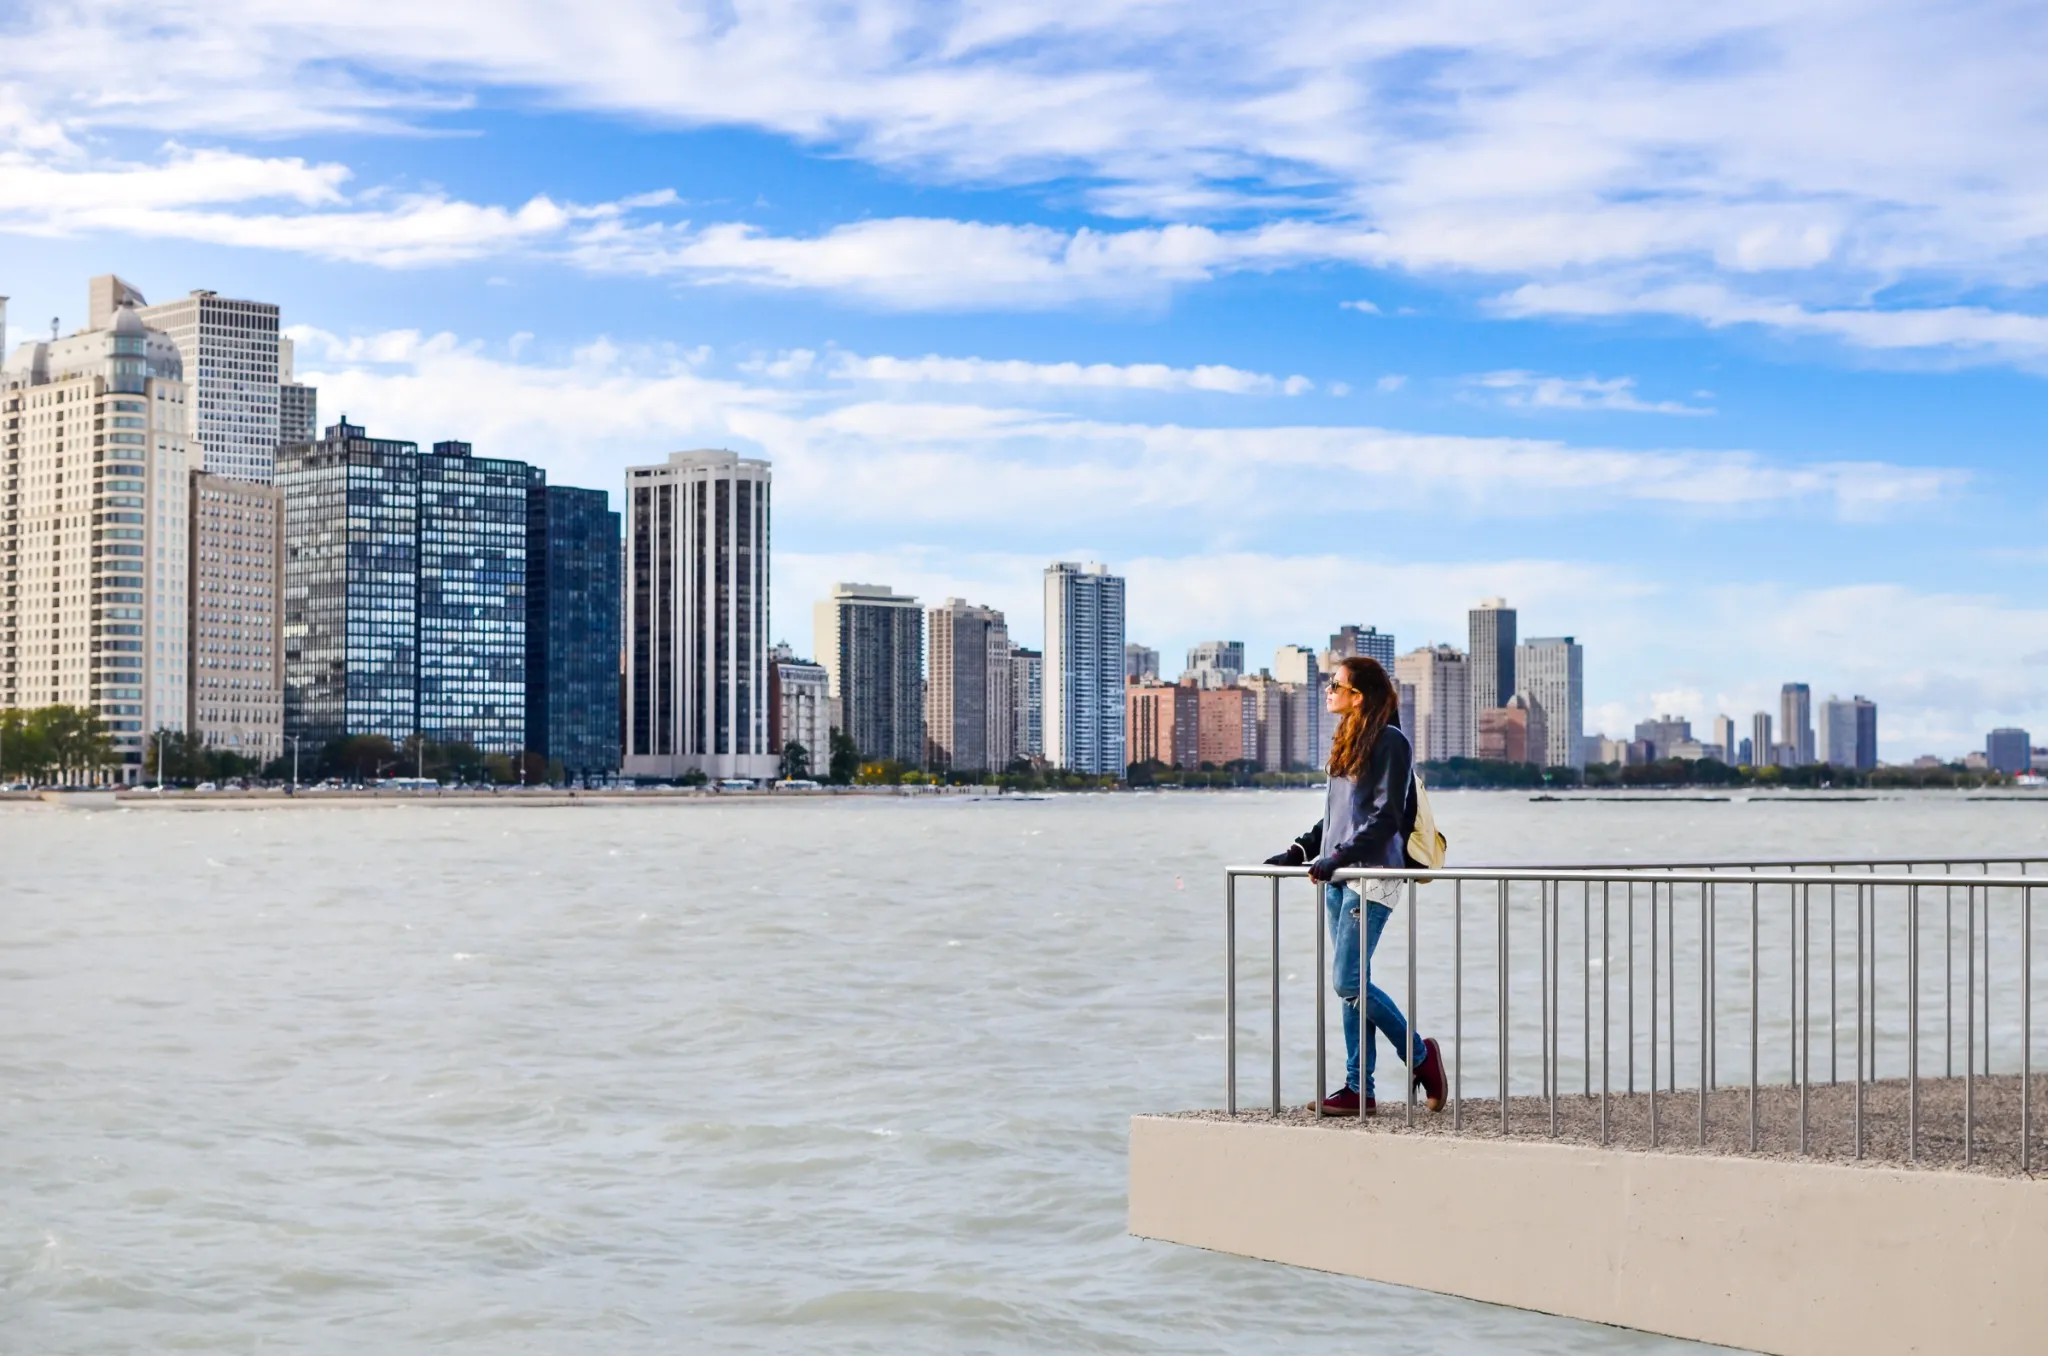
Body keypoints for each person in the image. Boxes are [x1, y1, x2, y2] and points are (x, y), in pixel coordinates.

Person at [1265, 655, 1447, 1115]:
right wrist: (1301, 850)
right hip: (1338, 876)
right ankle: (1356, 1089)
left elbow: (1386, 818)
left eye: (1335, 684)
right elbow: (1338, 816)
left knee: (1348, 981)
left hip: (1373, 876)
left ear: (1358, 695)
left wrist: (1338, 858)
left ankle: (1422, 1057)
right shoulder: (1348, 738)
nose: (1328, 690)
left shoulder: (1392, 742)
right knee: (1354, 986)